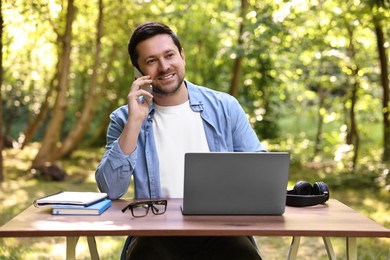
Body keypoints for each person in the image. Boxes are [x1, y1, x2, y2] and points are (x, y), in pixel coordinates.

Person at [95, 21, 266, 260]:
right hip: (154, 235)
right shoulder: (124, 118)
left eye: (169, 55)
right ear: (138, 70)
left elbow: (260, 175)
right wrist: (134, 122)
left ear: (182, 56)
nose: (164, 67)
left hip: (222, 232)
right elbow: (111, 190)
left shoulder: (225, 107)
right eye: (151, 60)